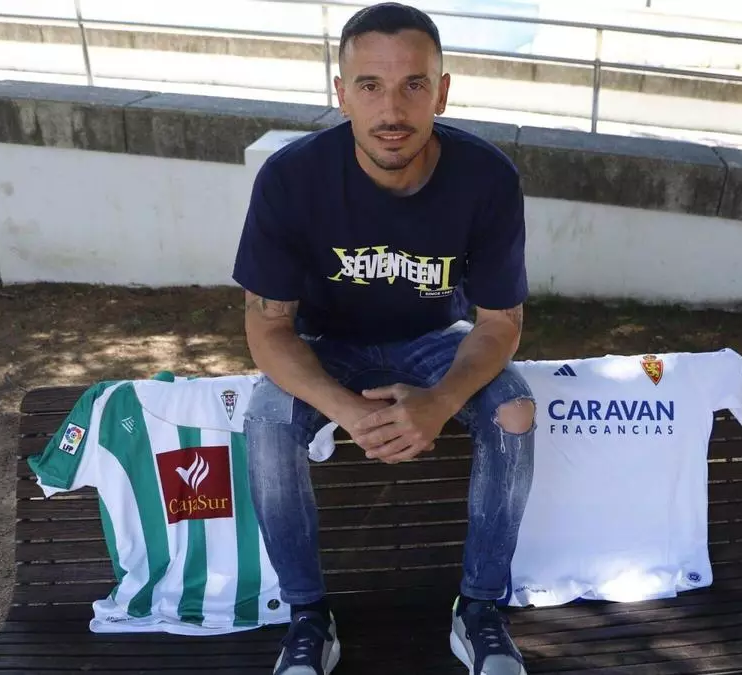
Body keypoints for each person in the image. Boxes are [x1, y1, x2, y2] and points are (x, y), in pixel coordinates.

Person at [231, 3, 535, 673]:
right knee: (267, 419)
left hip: (434, 338)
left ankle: (480, 609)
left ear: (442, 92)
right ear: (341, 93)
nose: (391, 109)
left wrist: (441, 400)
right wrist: (348, 410)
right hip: (327, 342)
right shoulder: (291, 178)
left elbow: (499, 323)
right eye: (369, 85)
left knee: (514, 411)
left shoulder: (487, 177)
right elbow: (267, 325)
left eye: (412, 85)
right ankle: (308, 617)